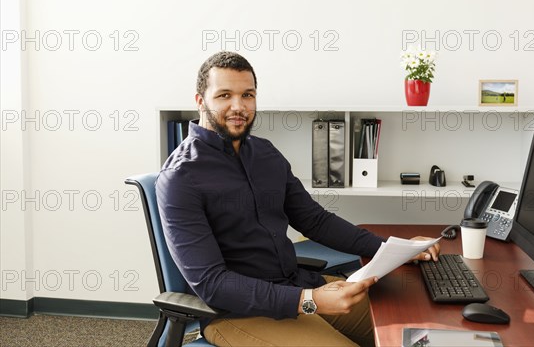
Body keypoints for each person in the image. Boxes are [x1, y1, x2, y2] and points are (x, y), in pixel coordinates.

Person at [156, 51, 440, 346]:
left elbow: (315, 221)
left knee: (414, 331)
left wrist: (393, 249)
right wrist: (309, 300)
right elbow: (213, 284)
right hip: (237, 313)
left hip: (298, 286)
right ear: (201, 101)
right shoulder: (180, 178)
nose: (238, 106)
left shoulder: (265, 153)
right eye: (224, 95)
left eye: (248, 95)